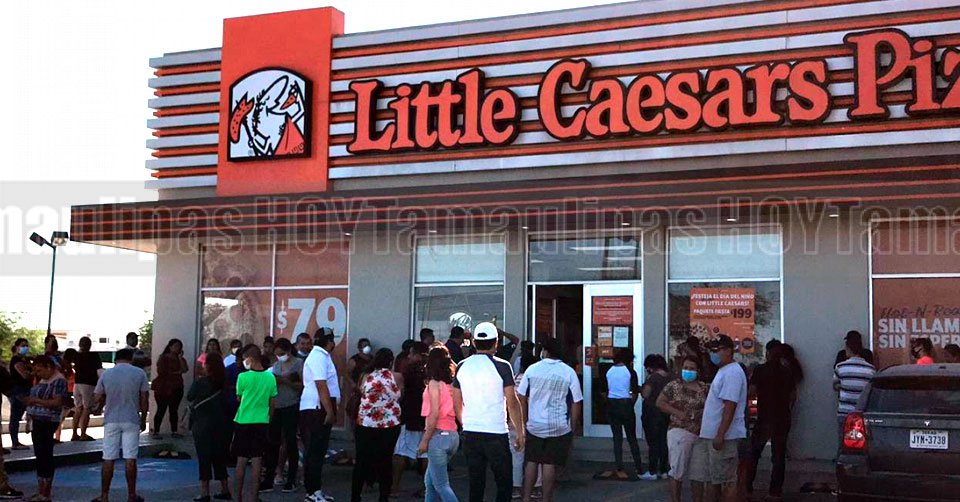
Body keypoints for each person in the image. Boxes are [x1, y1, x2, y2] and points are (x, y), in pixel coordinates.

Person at [451, 322, 525, 502]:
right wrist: (520, 433)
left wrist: (464, 423)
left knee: (476, 483)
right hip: (496, 432)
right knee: (504, 483)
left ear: (474, 342)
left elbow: (456, 400)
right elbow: (512, 402)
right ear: (496, 342)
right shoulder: (503, 366)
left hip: (471, 431)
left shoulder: (462, 365)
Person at [517, 337, 582, 502]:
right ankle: (546, 499)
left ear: (544, 351)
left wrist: (524, 420)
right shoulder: (568, 372)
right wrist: (573, 427)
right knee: (549, 464)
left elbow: (521, 396)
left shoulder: (532, 369)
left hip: (534, 424)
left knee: (531, 461)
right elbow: (576, 401)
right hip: (558, 425)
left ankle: (526, 498)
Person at [690, 335, 748, 502]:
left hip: (724, 437)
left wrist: (720, 434)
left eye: (716, 350)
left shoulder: (732, 373)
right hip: (711, 435)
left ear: (728, 351)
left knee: (726, 481)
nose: (712, 354)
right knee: (711, 479)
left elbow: (730, 405)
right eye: (711, 350)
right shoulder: (723, 371)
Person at [93, 348, 149, 502]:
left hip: (111, 419)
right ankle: (131, 495)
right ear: (131, 358)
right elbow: (144, 399)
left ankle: (104, 495)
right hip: (131, 418)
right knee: (130, 458)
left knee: (108, 458)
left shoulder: (106, 374)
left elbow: (97, 397)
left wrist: (99, 407)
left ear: (115, 359)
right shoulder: (139, 373)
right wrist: (143, 418)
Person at [746, 340, 798, 500]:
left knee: (754, 454)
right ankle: (775, 491)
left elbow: (752, 391)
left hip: (764, 417)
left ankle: (747, 487)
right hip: (782, 418)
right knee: (779, 456)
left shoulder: (760, 370)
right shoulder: (787, 371)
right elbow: (793, 396)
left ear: (767, 353)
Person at [351, 348, 403, 502]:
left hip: (366, 422)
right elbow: (400, 396)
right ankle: (383, 497)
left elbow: (361, 393)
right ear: (391, 361)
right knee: (385, 460)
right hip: (389, 423)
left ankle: (355, 496)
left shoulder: (364, 376)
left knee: (362, 460)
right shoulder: (397, 377)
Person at [657, 356, 709, 502]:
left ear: (698, 371)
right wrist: (678, 413)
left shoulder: (704, 388)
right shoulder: (674, 386)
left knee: (698, 474)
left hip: (700, 434)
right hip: (679, 431)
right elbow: (660, 402)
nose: (688, 371)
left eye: (692, 368)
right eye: (686, 368)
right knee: (677, 471)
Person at [232, 345, 277, 502]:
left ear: (250, 359)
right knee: (257, 460)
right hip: (262, 421)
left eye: (245, 359)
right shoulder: (270, 377)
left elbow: (239, 397)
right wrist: (269, 419)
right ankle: (254, 497)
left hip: (243, 420)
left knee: (241, 460)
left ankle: (238, 497)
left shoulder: (242, 377)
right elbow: (272, 403)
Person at [417, 345, 461, 502]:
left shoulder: (434, 384)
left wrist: (424, 440)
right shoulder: (453, 384)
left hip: (438, 436)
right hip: (453, 435)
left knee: (441, 485)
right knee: (430, 483)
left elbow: (434, 414)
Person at [302, 328, 341, 502]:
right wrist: (329, 411)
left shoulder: (323, 356)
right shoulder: (318, 357)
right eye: (331, 340)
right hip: (317, 408)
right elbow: (321, 385)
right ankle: (312, 492)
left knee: (318, 451)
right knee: (315, 451)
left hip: (320, 406)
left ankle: (316, 490)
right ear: (329, 342)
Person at [187, 353, 232, 502]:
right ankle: (225, 489)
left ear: (208, 365)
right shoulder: (224, 382)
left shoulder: (201, 382)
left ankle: (205, 492)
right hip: (222, 423)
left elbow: (190, 396)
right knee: (220, 457)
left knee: (204, 457)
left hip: (202, 423)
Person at [23, 355, 68, 501]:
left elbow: (57, 402)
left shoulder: (58, 380)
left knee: (45, 455)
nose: (38, 374)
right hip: (37, 419)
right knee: (39, 455)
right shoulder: (42, 380)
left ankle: (45, 491)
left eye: (40, 370)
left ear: (48, 367)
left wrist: (35, 401)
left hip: (47, 420)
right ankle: (41, 489)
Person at [263, 338, 303, 493]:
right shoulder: (276, 366)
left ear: (288, 351)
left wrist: (285, 381)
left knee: (290, 441)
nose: (279, 356)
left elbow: (302, 385)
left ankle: (291, 479)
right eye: (277, 354)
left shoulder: (298, 364)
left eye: (281, 353)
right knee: (272, 443)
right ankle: (269, 477)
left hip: (291, 405)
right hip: (277, 406)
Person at [597, 348, 642, 481]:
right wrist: (630, 404)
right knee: (631, 437)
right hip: (626, 403)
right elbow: (635, 392)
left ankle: (619, 466)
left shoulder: (608, 371)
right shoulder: (630, 372)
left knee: (617, 438)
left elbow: (603, 391)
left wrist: (608, 401)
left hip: (612, 403)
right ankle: (638, 466)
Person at [392, 342, 429, 497]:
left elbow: (401, 394)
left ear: (418, 355)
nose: (409, 356)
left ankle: (394, 487)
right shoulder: (432, 372)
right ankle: (427, 488)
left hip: (409, 417)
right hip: (427, 418)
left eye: (412, 353)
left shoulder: (408, 372)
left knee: (401, 451)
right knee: (426, 454)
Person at [833, 336, 876, 437]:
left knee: (843, 441)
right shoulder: (871, 370)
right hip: (862, 413)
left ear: (848, 348)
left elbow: (835, 385)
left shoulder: (840, 367)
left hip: (844, 412)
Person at [640, 354, 672, 481]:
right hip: (666, 413)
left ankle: (652, 470)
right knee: (663, 442)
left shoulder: (653, 378)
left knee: (653, 443)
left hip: (652, 413)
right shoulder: (670, 377)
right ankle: (664, 470)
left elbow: (645, 394)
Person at [152, 338, 188, 438]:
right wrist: (176, 372)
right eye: (175, 346)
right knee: (161, 409)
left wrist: (180, 358)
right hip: (163, 387)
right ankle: (156, 431)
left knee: (174, 410)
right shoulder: (163, 358)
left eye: (179, 347)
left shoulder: (180, 359)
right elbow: (162, 371)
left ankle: (174, 431)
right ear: (170, 347)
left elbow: (185, 369)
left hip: (177, 387)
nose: (177, 348)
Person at [73, 336, 102, 442]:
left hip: (77, 383)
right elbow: (99, 370)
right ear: (89, 345)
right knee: (87, 408)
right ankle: (83, 434)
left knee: (78, 408)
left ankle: (74, 433)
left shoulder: (76, 356)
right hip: (89, 384)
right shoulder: (94, 356)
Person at [8, 338, 32, 451]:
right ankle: (15, 442)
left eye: (26, 345)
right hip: (19, 390)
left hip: (24, 389)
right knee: (15, 417)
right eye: (22, 345)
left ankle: (16, 441)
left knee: (18, 415)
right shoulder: (16, 360)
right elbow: (25, 375)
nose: (25, 348)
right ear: (17, 347)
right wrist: (33, 372)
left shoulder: (24, 360)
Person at [345, 338, 374, 428]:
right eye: (365, 346)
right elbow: (347, 374)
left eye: (368, 345)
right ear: (359, 348)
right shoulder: (354, 360)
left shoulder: (373, 360)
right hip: (357, 391)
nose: (367, 347)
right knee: (355, 411)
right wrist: (353, 384)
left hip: (370, 391)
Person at [55, 348, 77, 443]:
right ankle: (57, 437)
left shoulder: (61, 366)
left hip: (65, 393)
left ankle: (57, 437)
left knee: (61, 417)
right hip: (67, 393)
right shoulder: (68, 368)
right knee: (61, 417)